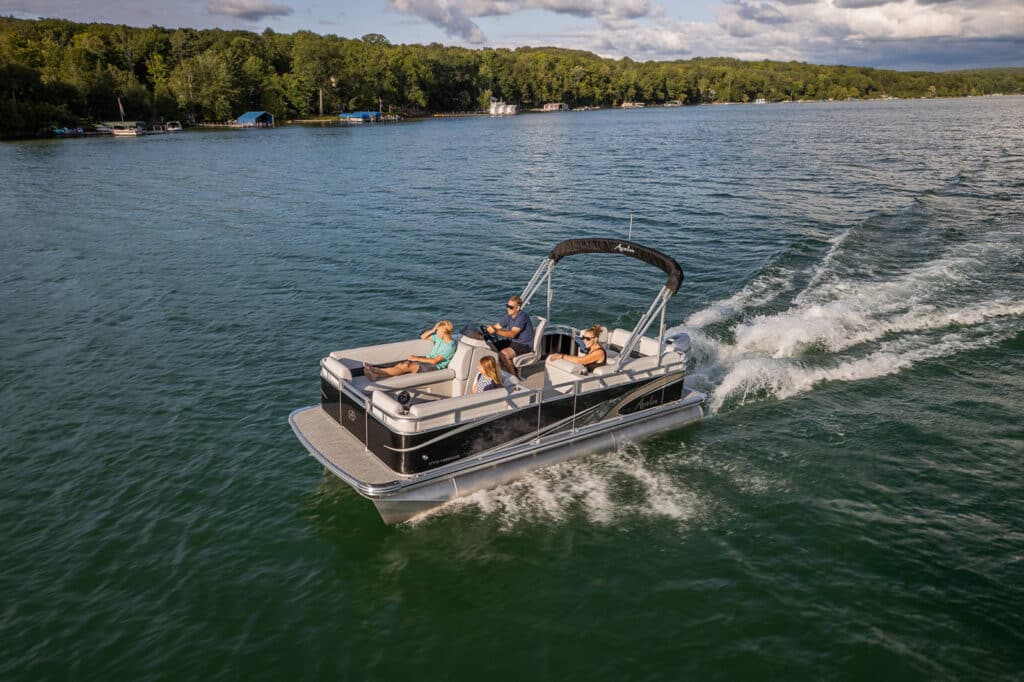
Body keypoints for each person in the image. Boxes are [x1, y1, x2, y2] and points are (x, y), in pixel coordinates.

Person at [364, 320, 456, 381]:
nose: (437, 333)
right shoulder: (439, 338)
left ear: (445, 333)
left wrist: (416, 358)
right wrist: (432, 330)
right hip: (428, 360)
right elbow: (423, 337)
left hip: (435, 366)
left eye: (439, 331)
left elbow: (434, 361)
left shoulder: (450, 346)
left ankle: (377, 372)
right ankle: (375, 372)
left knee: (405, 367)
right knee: (402, 364)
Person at [485, 295, 535, 376]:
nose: (508, 308)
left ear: (518, 308)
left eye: (511, 307)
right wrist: (488, 329)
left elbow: (512, 334)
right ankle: (496, 372)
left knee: (503, 354)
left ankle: (514, 376)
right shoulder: (509, 316)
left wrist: (496, 331)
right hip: (513, 342)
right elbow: (497, 326)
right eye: (507, 306)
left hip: (524, 345)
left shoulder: (522, 317)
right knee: (488, 346)